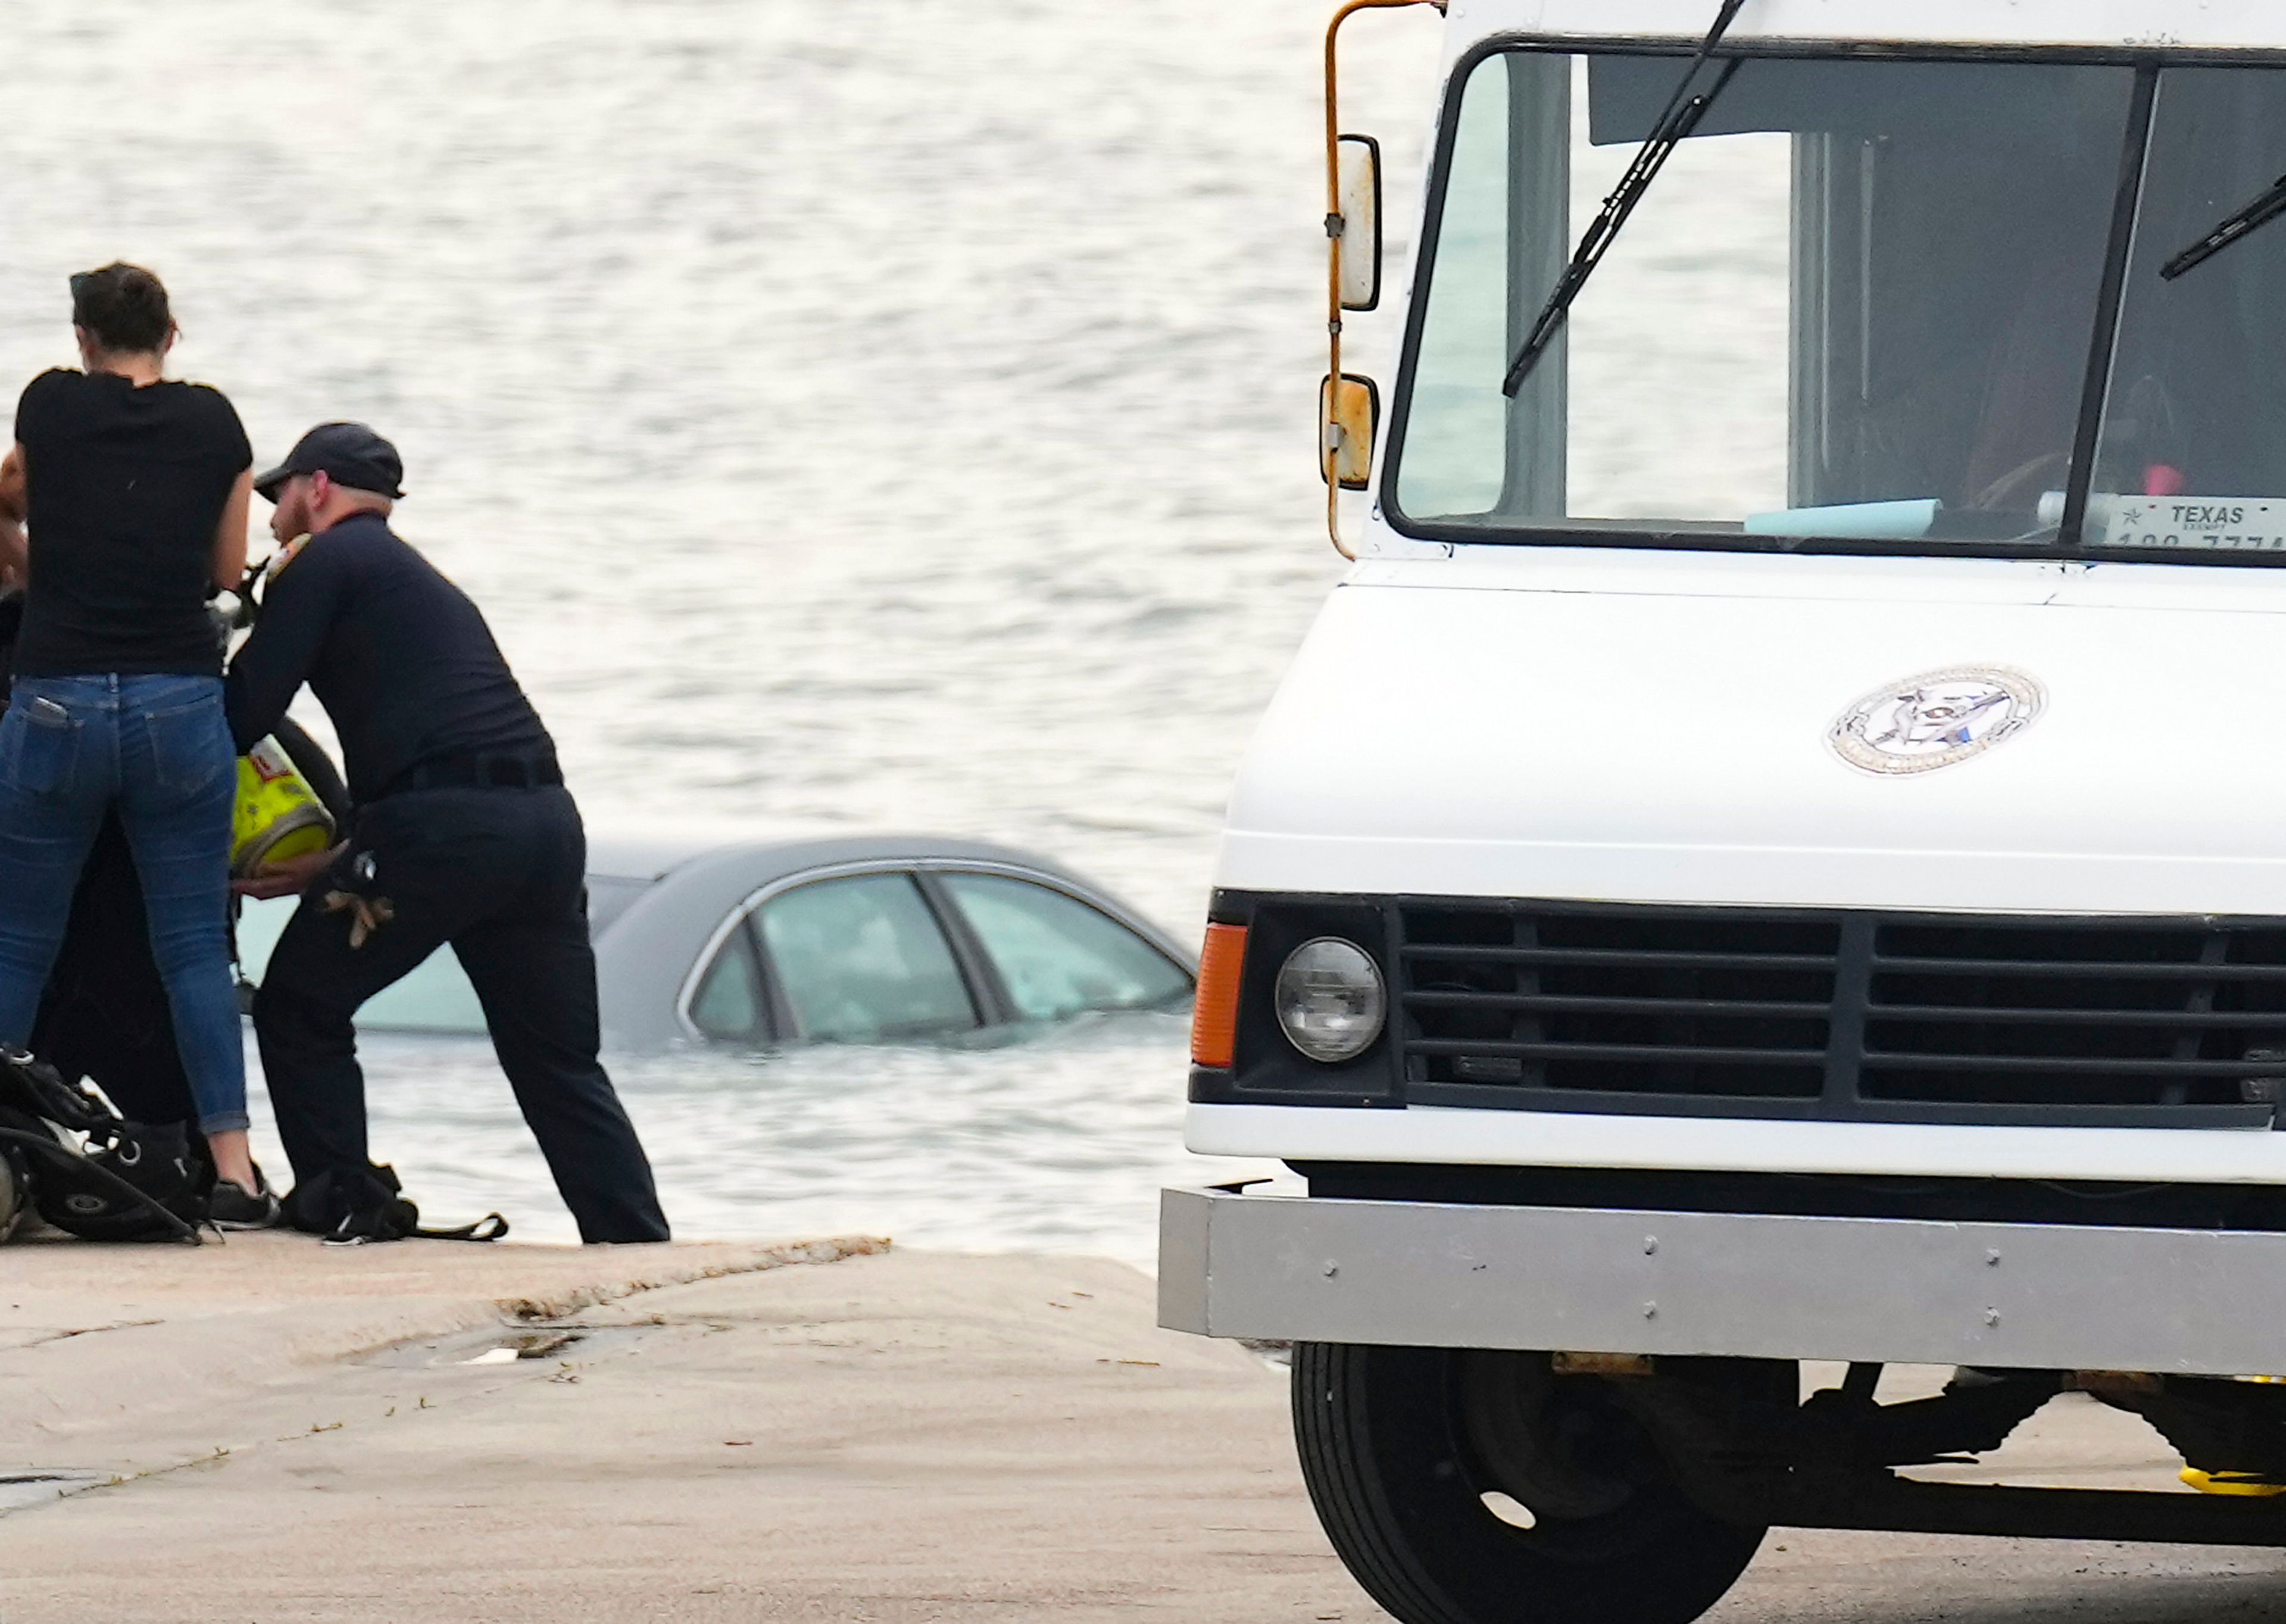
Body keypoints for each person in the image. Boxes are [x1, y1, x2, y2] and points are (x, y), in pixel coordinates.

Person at [226, 422, 669, 1243]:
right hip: (542, 826)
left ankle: (342, 1199)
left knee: (298, 1007)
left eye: (280, 497)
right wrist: (336, 854)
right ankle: (633, 1240)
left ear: (317, 488)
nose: (274, 518)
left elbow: (245, 711)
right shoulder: (413, 579)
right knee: (558, 1064)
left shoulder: (324, 562)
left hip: (443, 830)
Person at [0, 263, 273, 1227]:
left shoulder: (47, 405)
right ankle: (235, 1172)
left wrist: (40, 573)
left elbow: (14, 505)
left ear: (82, 338)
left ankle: (2, 1152)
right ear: (174, 333)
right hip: (176, 704)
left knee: (20, 940)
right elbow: (228, 569)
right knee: (194, 949)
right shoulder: (216, 426)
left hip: (57, 699)